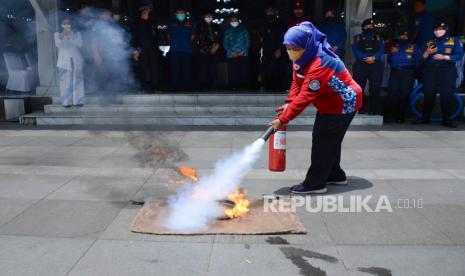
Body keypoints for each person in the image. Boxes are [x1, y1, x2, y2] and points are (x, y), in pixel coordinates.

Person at [269, 22, 362, 194]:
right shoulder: (302, 56)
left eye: (294, 48)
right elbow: (297, 81)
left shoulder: (320, 63)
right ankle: (335, 175)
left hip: (343, 103)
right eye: (287, 47)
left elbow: (305, 96)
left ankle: (315, 184)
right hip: (328, 102)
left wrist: (283, 119)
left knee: (323, 141)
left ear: (306, 45)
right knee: (328, 139)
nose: (290, 51)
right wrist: (289, 101)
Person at [414, 20, 464, 128]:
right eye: (436, 30)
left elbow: (460, 54)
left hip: (446, 70)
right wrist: (427, 53)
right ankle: (425, 118)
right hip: (430, 70)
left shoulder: (453, 40)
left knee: (446, 95)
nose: (438, 31)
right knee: (428, 94)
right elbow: (420, 59)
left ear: (445, 30)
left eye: (441, 29)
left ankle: (447, 120)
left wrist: (445, 57)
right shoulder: (429, 42)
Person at [384, 29, 421, 123]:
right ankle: (388, 116)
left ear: (408, 37)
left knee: (404, 94)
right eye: (400, 36)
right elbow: (389, 59)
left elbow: (418, 61)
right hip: (395, 72)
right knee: (392, 93)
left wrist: (414, 72)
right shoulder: (393, 47)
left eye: (405, 36)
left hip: (408, 72)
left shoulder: (414, 47)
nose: (402, 38)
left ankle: (400, 116)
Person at [351, 18, 384, 115]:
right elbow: (355, 50)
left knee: (375, 87)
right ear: (363, 27)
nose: (370, 27)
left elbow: (381, 50)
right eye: (367, 26)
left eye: (371, 26)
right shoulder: (357, 38)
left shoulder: (378, 38)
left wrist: (374, 58)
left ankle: (373, 109)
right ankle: (360, 108)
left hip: (375, 64)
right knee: (359, 87)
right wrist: (366, 59)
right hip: (361, 64)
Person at [54, 18, 85, 107]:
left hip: (76, 60)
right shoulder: (57, 34)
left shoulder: (77, 34)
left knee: (78, 81)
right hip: (63, 62)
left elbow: (80, 44)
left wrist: (72, 35)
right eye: (65, 23)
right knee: (65, 82)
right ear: (62, 25)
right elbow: (58, 44)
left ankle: (78, 101)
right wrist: (64, 33)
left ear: (71, 25)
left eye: (68, 23)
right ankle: (66, 102)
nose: (67, 25)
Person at [132, 4, 160, 91]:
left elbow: (157, 36)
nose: (147, 12)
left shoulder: (152, 22)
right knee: (142, 68)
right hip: (141, 49)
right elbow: (133, 38)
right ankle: (142, 87)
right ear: (141, 12)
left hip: (152, 49)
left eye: (148, 11)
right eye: (145, 11)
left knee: (154, 68)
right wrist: (135, 51)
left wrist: (158, 47)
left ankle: (155, 87)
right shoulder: (136, 23)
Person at [167, 8, 195, 90]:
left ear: (185, 14)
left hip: (187, 50)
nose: (180, 15)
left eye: (182, 13)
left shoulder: (189, 24)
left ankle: (187, 86)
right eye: (178, 13)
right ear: (175, 15)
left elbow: (193, 37)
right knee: (175, 69)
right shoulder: (171, 24)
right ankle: (175, 86)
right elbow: (168, 37)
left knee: (187, 69)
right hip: (174, 50)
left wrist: (185, 42)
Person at [260, 6, 288, 91]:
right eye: (267, 12)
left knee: (278, 71)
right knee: (268, 71)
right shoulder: (265, 24)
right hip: (267, 53)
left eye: (271, 12)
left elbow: (284, 37)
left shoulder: (281, 24)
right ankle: (269, 88)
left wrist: (280, 49)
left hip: (278, 52)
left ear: (275, 13)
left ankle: (279, 88)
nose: (269, 14)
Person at [193, 11, 220, 89]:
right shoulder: (199, 26)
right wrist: (205, 49)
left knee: (213, 67)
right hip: (203, 51)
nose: (209, 17)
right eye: (207, 15)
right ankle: (203, 84)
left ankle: (212, 84)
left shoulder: (216, 26)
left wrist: (216, 47)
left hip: (214, 51)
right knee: (203, 68)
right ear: (204, 16)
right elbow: (197, 39)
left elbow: (219, 38)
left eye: (210, 16)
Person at [223, 15, 250, 89]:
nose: (234, 22)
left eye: (235, 20)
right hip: (231, 55)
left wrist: (242, 52)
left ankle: (243, 86)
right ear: (230, 21)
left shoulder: (244, 29)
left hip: (243, 54)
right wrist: (232, 52)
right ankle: (233, 86)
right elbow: (225, 43)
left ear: (238, 21)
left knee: (243, 71)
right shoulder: (228, 30)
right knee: (233, 72)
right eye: (232, 20)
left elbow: (247, 41)